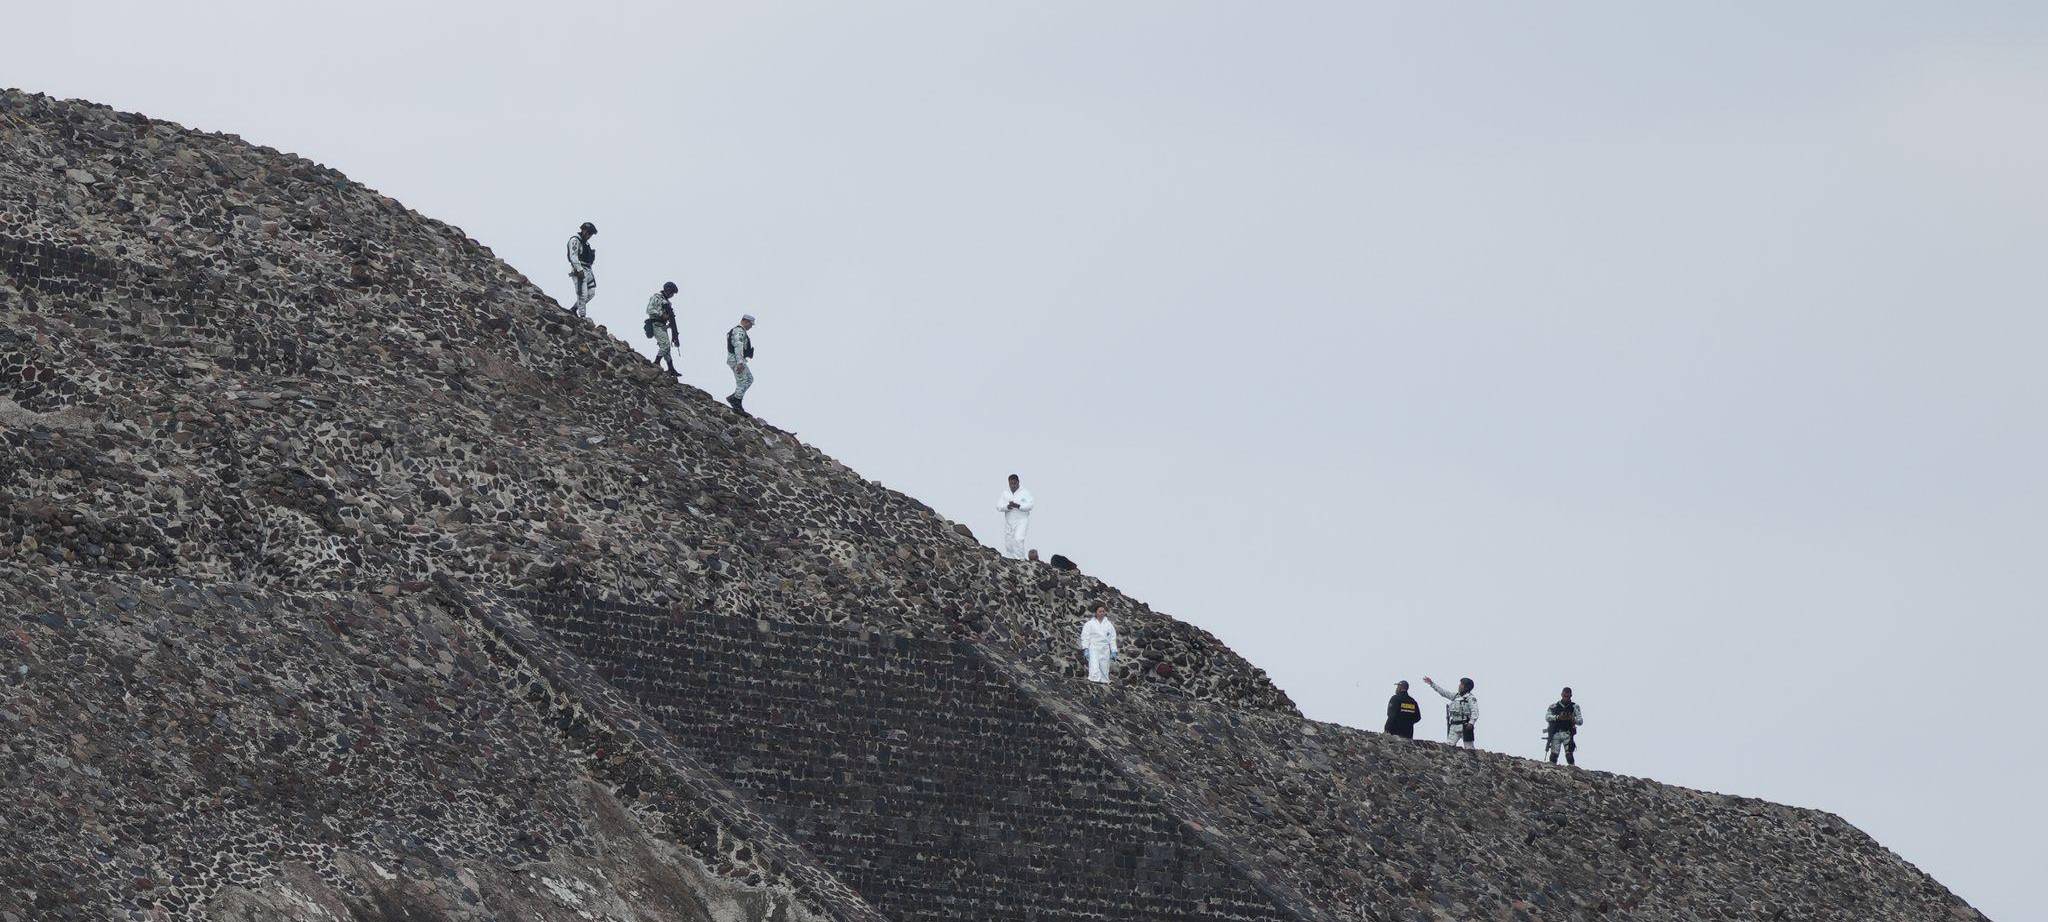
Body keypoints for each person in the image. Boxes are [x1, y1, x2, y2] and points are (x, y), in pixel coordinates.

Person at [1423, 676, 1479, 749]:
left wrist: (1471, 723)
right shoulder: (1456, 696)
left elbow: (1475, 711)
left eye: (1461, 684)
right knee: (1449, 746)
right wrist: (1432, 684)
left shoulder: (1470, 698)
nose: (1459, 686)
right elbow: (1443, 693)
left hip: (1465, 726)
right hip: (1454, 726)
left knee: (1469, 748)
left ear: (1466, 687)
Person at [995, 474, 1034, 559]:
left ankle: (1020, 560)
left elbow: (1030, 505)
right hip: (1009, 522)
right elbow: (998, 506)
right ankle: (1012, 561)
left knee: (1018, 539)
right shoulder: (1005, 493)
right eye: (1011, 484)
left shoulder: (1025, 493)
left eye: (1014, 483)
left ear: (1018, 482)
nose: (1013, 486)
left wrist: (1018, 506)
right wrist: (1007, 507)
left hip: (1021, 521)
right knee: (1009, 543)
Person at [644, 283, 680, 376]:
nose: (672, 295)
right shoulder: (657, 297)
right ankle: (656, 362)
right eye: (672, 293)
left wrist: (670, 323)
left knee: (666, 348)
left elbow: (668, 316)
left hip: (663, 326)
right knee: (665, 345)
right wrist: (661, 314)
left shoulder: (667, 302)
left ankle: (671, 368)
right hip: (656, 324)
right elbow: (649, 309)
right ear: (668, 290)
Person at [1078, 605, 1118, 683]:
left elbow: (1112, 639)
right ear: (1096, 613)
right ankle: (1093, 682)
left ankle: (1104, 683)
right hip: (1094, 647)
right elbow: (1085, 636)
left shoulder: (1109, 625)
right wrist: (1086, 648)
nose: (1102, 613)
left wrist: (1114, 651)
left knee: (1104, 667)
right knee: (1094, 666)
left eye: (1103, 611)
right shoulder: (1089, 624)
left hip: (1105, 648)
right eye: (1100, 611)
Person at [1545, 687, 1584, 765]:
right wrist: (1558, 717)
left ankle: (1572, 769)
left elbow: (1580, 721)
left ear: (1570, 696)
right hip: (1556, 733)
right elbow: (1547, 717)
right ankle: (1552, 769)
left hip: (1567, 733)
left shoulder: (1574, 706)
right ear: (1561, 694)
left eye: (1567, 696)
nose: (1566, 697)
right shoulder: (1554, 706)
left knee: (1569, 755)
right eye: (1564, 695)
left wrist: (1572, 718)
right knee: (1553, 755)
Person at [566, 222, 597, 316]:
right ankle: (582, 316)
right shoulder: (575, 240)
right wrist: (579, 269)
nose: (589, 236)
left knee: (591, 293)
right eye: (589, 233)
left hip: (588, 270)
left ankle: (574, 308)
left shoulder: (586, 243)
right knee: (582, 294)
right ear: (583, 230)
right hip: (579, 269)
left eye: (591, 234)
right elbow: (573, 256)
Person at [726, 314, 756, 414]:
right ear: (745, 321)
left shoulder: (739, 331)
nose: (751, 327)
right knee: (743, 381)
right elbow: (738, 346)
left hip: (738, 359)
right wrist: (739, 362)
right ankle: (736, 401)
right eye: (750, 324)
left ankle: (735, 398)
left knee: (749, 379)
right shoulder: (739, 331)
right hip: (736, 360)